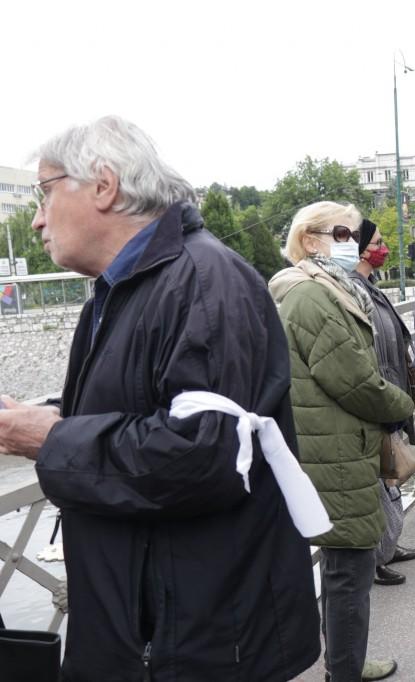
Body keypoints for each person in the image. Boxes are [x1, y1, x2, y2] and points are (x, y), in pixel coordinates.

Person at [0, 116, 321, 680]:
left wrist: (51, 438)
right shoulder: (133, 286)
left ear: (103, 186)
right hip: (158, 626)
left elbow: (203, 456)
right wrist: (49, 419)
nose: (36, 217)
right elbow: (149, 409)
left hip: (191, 640)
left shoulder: (201, 280)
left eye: (44, 192)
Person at [270, 201, 414, 682]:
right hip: (332, 450)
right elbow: (352, 378)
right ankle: (345, 670)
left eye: (354, 234)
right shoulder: (311, 295)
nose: (353, 242)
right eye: (342, 233)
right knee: (349, 570)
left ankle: (344, 661)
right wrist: (403, 404)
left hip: (332, 444)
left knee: (343, 567)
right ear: (310, 240)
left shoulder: (322, 288)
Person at [349, 219, 415, 588]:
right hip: (378, 396)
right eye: (378, 242)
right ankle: (378, 558)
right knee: (381, 479)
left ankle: (388, 546)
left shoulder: (370, 286)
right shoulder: (353, 288)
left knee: (390, 475)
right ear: (362, 247)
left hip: (390, 390)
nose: (384, 248)